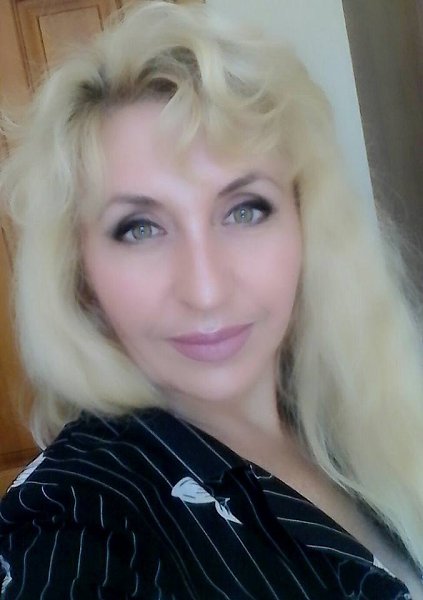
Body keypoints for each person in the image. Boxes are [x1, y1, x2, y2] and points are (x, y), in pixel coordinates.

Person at [0, 1, 422, 598]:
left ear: (307, 226)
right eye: (139, 228)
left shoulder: (360, 410)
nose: (205, 290)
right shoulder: (78, 515)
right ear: (81, 273)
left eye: (245, 210)